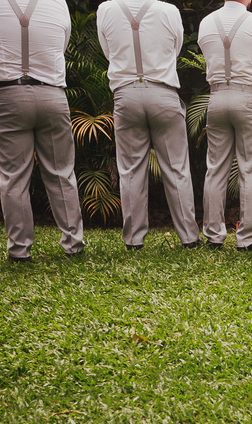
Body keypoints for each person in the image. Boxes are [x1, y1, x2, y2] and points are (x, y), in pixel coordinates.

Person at [0, 0, 85, 262]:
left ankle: (19, 249)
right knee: (62, 172)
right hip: (52, 94)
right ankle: (74, 243)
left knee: (13, 176)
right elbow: (62, 42)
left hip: (7, 94)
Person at [97, 0, 200, 250]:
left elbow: (108, 52)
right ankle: (189, 237)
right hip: (163, 92)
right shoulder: (169, 10)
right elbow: (175, 49)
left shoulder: (106, 9)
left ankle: (134, 239)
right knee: (177, 168)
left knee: (131, 170)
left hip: (126, 94)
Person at [196, 0, 252, 251]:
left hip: (217, 96)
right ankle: (248, 237)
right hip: (249, 97)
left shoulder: (206, 23)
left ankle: (213, 235)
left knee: (215, 168)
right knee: (250, 169)